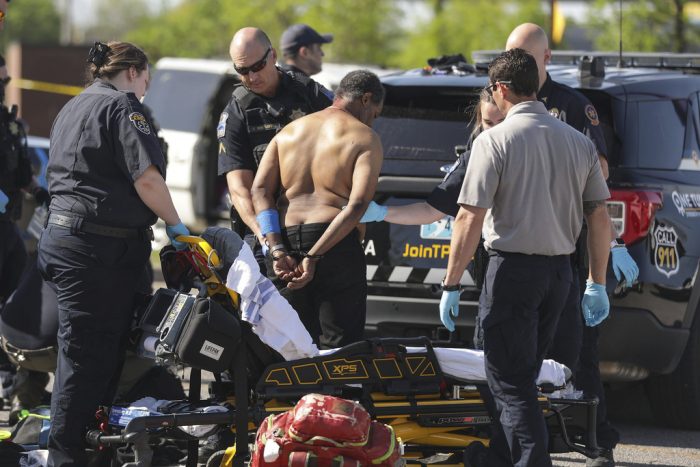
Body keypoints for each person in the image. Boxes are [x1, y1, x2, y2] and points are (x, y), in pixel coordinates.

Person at [439, 48, 612, 467]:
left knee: (509, 381)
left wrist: (450, 283)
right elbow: (600, 216)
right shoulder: (577, 141)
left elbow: (468, 217)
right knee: (525, 375)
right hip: (559, 276)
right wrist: (597, 283)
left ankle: (532, 461)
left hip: (512, 272)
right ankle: (500, 456)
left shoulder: (493, 141)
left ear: (500, 89)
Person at [38, 41, 189, 466]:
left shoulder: (74, 106)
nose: (145, 89)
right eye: (147, 80)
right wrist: (177, 229)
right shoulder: (123, 107)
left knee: (97, 356)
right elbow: (148, 181)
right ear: (134, 71)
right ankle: (67, 456)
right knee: (87, 359)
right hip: (96, 252)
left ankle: (90, 449)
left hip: (73, 244)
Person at [506, 23, 636, 466]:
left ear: (546, 59)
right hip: (513, 248)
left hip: (570, 246)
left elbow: (597, 174)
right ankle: (529, 442)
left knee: (578, 351)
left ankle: (598, 441)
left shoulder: (573, 107)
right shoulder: (497, 100)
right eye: (512, 55)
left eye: (525, 56)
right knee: (515, 352)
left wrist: (608, 249)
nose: (516, 64)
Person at [251, 70, 384, 349]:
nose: (373, 119)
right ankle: (334, 395)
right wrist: (313, 256)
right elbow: (358, 205)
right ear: (366, 99)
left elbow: (260, 190)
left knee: (289, 347)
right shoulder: (364, 138)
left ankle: (291, 395)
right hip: (334, 243)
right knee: (340, 349)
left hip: (284, 242)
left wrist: (276, 248)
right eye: (375, 112)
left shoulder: (288, 132)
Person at [218, 27, 331, 275]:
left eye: (257, 67)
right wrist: (270, 241)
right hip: (265, 232)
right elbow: (239, 189)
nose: (251, 77)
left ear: (273, 56)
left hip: (315, 226)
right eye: (242, 70)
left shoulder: (309, 94)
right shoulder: (237, 112)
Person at [360, 89, 503, 225]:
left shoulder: (523, 154)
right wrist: (379, 213)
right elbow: (430, 211)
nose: (494, 131)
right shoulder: (473, 160)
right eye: (488, 123)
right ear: (479, 121)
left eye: (502, 122)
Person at [279, 23, 334, 92]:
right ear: (304, 52)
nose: (322, 54)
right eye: (318, 48)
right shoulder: (302, 92)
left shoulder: (277, 83)